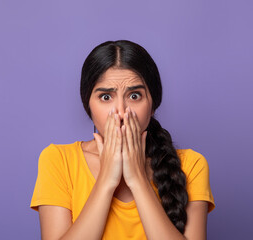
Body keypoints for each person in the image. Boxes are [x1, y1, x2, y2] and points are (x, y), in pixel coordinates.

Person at [30, 40, 215, 239]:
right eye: (106, 97)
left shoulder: (192, 165)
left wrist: (138, 179)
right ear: (88, 106)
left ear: (153, 106)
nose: (120, 111)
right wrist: (106, 179)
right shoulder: (58, 161)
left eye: (134, 96)